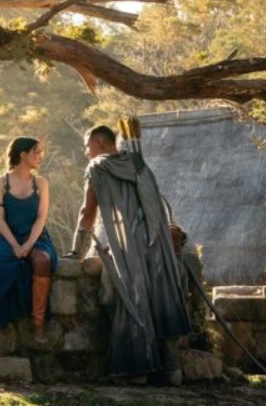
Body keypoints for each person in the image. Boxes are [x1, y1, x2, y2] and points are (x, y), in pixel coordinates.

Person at [69, 124, 191, 384]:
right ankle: (172, 370)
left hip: (129, 249)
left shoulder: (98, 167)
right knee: (162, 297)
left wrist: (74, 251)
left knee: (128, 300)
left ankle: (137, 371)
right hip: (157, 246)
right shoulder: (140, 165)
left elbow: (87, 212)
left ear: (100, 143)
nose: (85, 151)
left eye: (87, 145)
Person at [0, 137, 57, 343]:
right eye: (36, 152)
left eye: (41, 152)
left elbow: (41, 218)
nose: (40, 157)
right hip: (8, 237)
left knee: (43, 261)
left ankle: (39, 325)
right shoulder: (0, 183)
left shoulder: (41, 183)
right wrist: (16, 245)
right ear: (23, 154)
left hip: (36, 237)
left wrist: (27, 245)